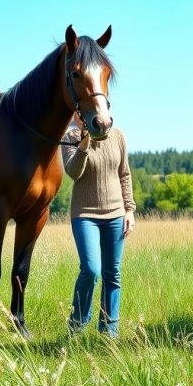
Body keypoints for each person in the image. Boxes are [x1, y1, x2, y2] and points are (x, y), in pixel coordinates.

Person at [61, 111, 136, 339]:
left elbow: (124, 174)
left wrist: (130, 209)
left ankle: (109, 331)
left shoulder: (118, 136)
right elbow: (74, 172)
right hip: (85, 215)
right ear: (75, 115)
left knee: (112, 273)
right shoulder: (70, 137)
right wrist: (85, 142)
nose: (80, 116)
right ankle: (77, 324)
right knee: (91, 269)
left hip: (115, 214)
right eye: (77, 113)